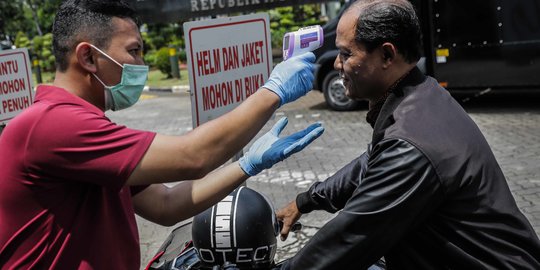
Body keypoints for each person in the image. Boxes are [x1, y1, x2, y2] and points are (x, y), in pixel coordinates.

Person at [0, 0, 324, 269]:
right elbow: (192, 157)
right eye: (134, 50)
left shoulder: (82, 127)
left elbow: (166, 205)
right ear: (88, 57)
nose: (140, 63)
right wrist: (274, 91)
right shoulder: (50, 124)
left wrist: (247, 166)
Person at [276, 0, 540, 269]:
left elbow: (347, 239)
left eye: (346, 54)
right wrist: (305, 201)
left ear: (387, 56)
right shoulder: (423, 94)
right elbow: (371, 162)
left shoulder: (410, 144)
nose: (336, 63)